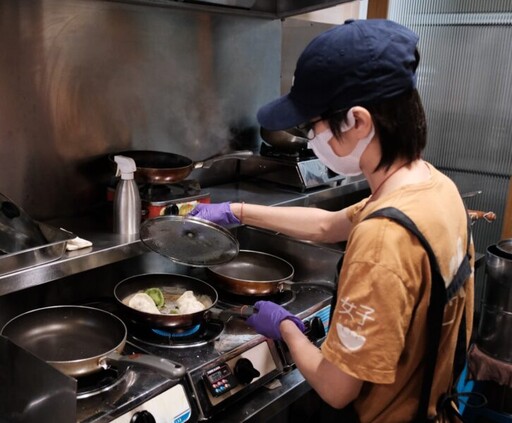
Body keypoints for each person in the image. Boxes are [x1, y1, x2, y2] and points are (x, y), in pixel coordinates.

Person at [189, 19, 474, 422]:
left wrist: (285, 326)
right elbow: (330, 225)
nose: (310, 138)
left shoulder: (384, 239)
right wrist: (237, 211)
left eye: (313, 125)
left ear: (358, 121)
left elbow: (337, 388)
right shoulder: (431, 188)